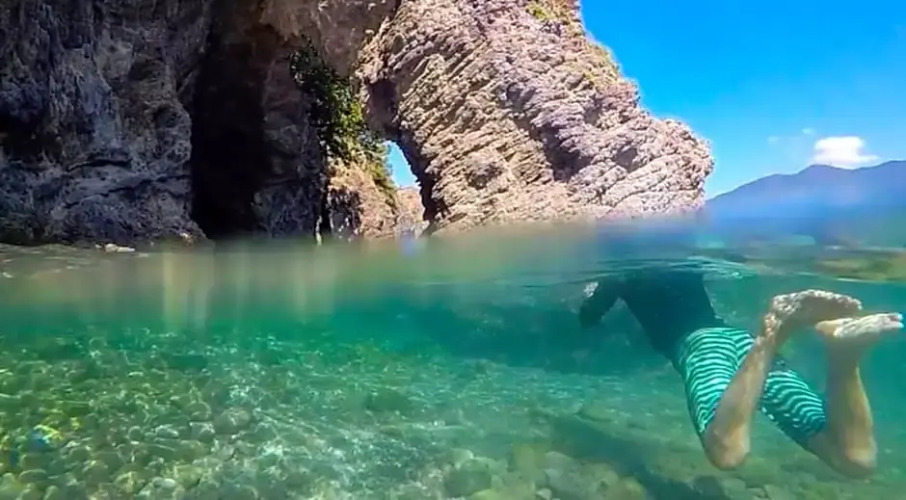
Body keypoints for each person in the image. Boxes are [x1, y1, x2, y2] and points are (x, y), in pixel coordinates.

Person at [578, 268, 903, 478]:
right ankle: (843, 353)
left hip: (701, 344)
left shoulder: (619, 275)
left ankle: (773, 334)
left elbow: (589, 316)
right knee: (857, 459)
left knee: (727, 452)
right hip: (739, 340)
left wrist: (594, 293)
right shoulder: (688, 266)